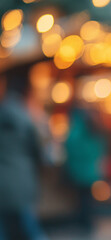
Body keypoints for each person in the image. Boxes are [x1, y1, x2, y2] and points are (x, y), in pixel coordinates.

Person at [0, 64, 46, 240]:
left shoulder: (3, 111)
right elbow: (37, 149)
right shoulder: (25, 116)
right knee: (29, 226)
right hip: (21, 178)